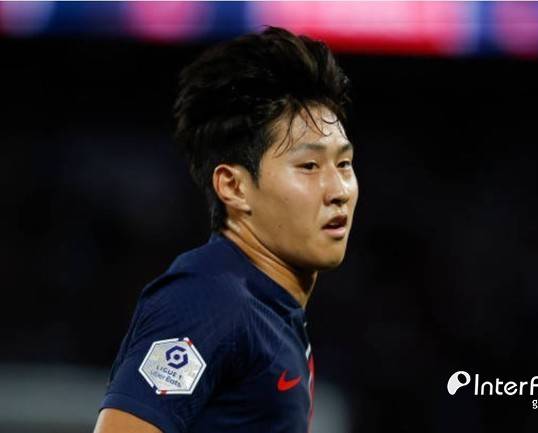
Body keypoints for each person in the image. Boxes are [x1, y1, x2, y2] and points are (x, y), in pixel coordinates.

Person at [93, 27, 358, 433]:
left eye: (343, 164)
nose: (338, 190)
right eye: (309, 166)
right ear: (233, 187)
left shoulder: (268, 308)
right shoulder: (208, 301)